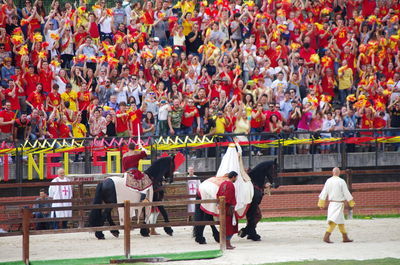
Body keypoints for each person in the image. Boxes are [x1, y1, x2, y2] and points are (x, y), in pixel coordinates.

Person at [318, 167, 355, 243]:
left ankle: (345, 237)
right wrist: (351, 202)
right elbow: (346, 192)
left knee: (340, 221)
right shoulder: (341, 181)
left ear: (333, 172)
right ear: (339, 173)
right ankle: (326, 236)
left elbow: (324, 192)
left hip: (332, 203)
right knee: (334, 221)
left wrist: (321, 203)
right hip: (338, 204)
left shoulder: (328, 181)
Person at [216, 170, 238, 250]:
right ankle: (227, 244)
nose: (236, 179)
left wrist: (219, 204)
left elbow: (218, 194)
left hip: (222, 207)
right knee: (230, 226)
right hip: (229, 208)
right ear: (233, 177)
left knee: (225, 225)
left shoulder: (222, 184)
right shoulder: (230, 185)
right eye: (236, 177)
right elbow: (228, 197)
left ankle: (225, 243)